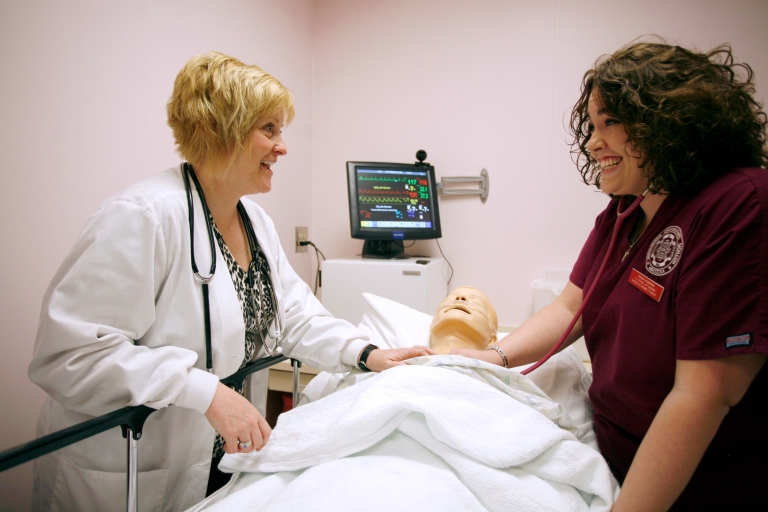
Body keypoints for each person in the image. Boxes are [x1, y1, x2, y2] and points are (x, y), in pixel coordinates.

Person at [27, 52, 433, 512]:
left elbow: (295, 315)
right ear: (221, 130)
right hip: (129, 472)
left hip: (218, 467)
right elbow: (70, 355)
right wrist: (204, 391)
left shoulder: (254, 221)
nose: (282, 147)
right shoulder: (142, 217)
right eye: (270, 130)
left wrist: (366, 352)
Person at [450, 41, 768, 510]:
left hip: (693, 483)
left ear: (668, 118)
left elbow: (702, 396)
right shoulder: (625, 212)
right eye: (592, 126)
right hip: (608, 454)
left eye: (610, 123)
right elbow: (570, 305)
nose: (593, 143)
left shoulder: (739, 205)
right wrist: (491, 358)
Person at [429, 286, 498, 354]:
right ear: (431, 326)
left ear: (491, 340)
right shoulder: (418, 359)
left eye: (476, 302)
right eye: (450, 300)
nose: (461, 297)